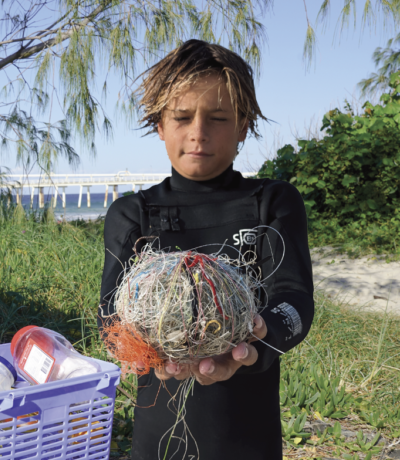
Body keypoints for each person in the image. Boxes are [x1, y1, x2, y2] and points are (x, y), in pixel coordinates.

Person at [98, 39, 314, 459]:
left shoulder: (272, 201)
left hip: (248, 435)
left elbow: (296, 299)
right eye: (181, 117)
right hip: (157, 438)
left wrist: (259, 337)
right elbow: (110, 308)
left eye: (218, 117)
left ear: (244, 126)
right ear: (159, 125)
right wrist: (133, 347)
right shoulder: (132, 213)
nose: (198, 133)